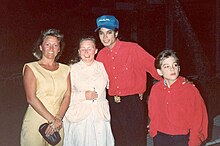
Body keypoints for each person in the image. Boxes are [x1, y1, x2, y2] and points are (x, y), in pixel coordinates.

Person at [95, 15, 161, 146]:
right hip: (113, 105)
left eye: (109, 32)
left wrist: (174, 81)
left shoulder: (133, 49)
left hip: (133, 103)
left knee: (136, 141)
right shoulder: (101, 55)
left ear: (116, 33)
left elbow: (155, 67)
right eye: (101, 33)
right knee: (119, 141)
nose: (105, 37)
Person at [20, 29, 71, 146]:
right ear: (41, 47)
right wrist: (52, 120)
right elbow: (31, 98)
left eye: (55, 45)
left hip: (58, 123)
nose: (51, 48)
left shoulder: (66, 69)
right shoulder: (31, 67)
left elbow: (67, 96)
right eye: (47, 44)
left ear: (59, 49)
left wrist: (58, 118)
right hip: (36, 120)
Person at [148, 49, 208, 146]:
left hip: (182, 139)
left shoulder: (190, 90)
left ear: (179, 68)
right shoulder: (156, 89)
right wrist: (154, 132)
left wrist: (194, 141)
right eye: (166, 66)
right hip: (160, 137)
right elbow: (153, 112)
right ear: (159, 71)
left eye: (174, 65)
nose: (172, 69)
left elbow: (198, 119)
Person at [63, 36, 114, 146]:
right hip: (81, 118)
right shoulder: (72, 69)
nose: (86, 52)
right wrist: (84, 95)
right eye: (83, 49)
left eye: (90, 48)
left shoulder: (102, 66)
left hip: (100, 116)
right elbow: (64, 96)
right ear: (79, 51)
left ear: (95, 50)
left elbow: (113, 84)